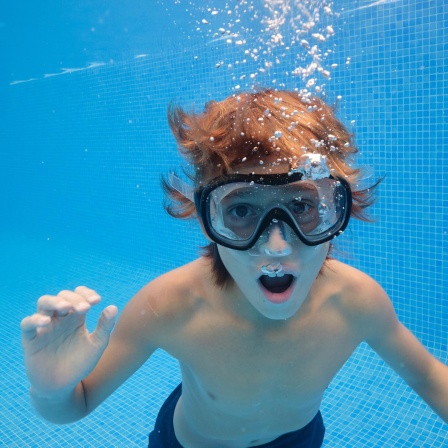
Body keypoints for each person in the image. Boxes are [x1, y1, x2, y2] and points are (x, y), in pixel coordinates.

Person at [21, 89, 448, 448]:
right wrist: (51, 389)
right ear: (207, 220)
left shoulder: (356, 302)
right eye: (242, 209)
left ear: (336, 210)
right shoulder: (170, 305)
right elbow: (73, 406)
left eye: (301, 206)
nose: (277, 245)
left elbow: (431, 377)